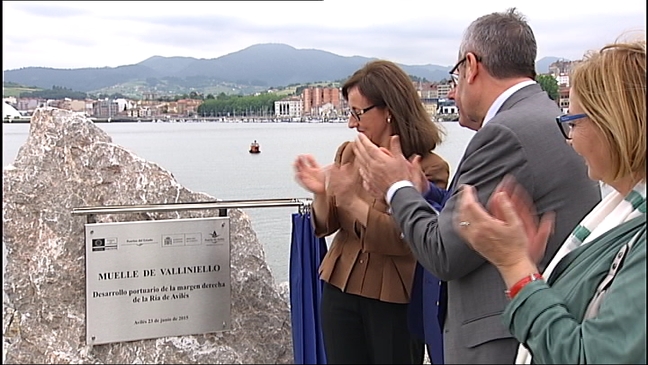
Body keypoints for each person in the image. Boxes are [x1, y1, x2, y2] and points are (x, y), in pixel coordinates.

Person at [352, 8, 602, 364]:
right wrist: (427, 194)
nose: (454, 93)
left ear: (471, 66)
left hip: (500, 342)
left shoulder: (505, 133)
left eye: (455, 76)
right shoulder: (545, 114)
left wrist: (396, 189)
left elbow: (444, 252)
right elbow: (492, 209)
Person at [454, 37, 646, 364]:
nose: (569, 139)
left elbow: (591, 356)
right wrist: (529, 266)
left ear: (613, 125)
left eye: (573, 122)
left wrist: (516, 268)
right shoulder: (621, 214)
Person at [293, 59, 449, 364]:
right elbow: (325, 225)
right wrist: (321, 193)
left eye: (357, 113)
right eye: (349, 112)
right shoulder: (349, 152)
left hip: (394, 300)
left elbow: (404, 239)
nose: (352, 123)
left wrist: (351, 199)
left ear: (388, 109)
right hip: (339, 287)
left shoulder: (428, 168)